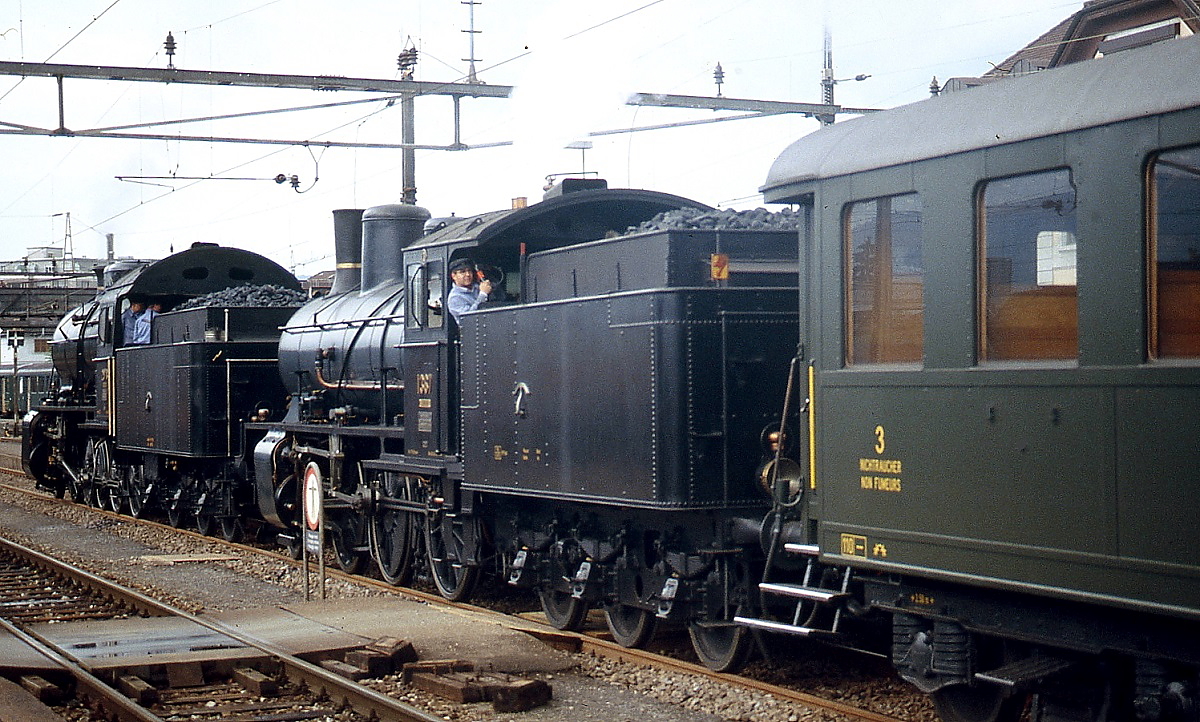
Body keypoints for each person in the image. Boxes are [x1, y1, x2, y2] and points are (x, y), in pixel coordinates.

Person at [447, 258, 493, 322]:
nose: (468, 274)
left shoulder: (477, 287)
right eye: (462, 272)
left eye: (469, 271)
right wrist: (483, 294)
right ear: (454, 276)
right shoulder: (454, 298)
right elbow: (469, 319)